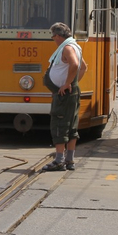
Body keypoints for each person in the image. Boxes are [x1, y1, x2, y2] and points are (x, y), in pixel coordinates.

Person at [42, 22, 87, 171]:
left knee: (59, 125)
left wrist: (67, 83)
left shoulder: (67, 48)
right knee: (71, 126)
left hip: (63, 95)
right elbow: (83, 67)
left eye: (53, 37)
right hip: (71, 92)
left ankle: (59, 160)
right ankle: (70, 160)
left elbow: (75, 65)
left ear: (59, 36)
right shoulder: (75, 46)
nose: (53, 40)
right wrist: (73, 84)